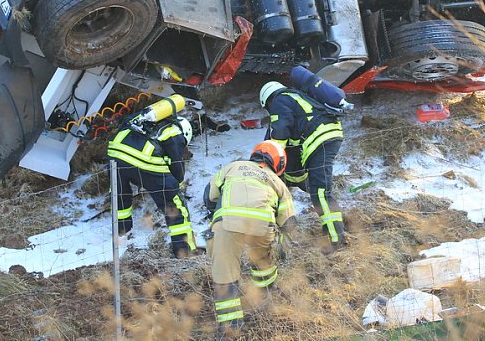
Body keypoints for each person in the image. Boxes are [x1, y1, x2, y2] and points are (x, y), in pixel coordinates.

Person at [205, 140, 296, 338]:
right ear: (279, 163)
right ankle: (263, 297)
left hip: (226, 225)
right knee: (263, 262)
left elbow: (209, 196)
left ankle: (230, 329)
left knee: (225, 276)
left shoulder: (232, 167)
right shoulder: (277, 182)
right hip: (262, 227)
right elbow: (289, 222)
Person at [259, 80, 347, 252]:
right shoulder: (296, 97)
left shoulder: (279, 100)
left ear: (267, 101)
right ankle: (336, 229)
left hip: (320, 139)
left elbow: (280, 130)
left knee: (320, 192)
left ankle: (335, 240)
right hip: (326, 134)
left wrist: (273, 155)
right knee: (318, 189)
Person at [107, 116, 197, 258]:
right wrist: (175, 189)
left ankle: (121, 232)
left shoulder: (148, 121)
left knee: (119, 195)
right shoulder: (174, 133)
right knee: (175, 206)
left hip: (116, 152)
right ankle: (185, 251)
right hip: (144, 159)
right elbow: (177, 168)